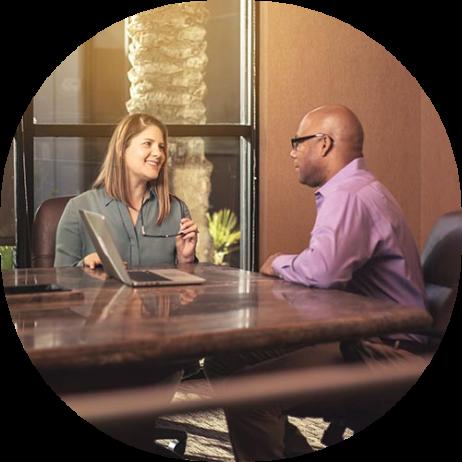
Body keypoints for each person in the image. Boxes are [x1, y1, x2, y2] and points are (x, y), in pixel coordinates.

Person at [204, 104, 429, 461]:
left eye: (298, 141)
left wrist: (279, 262)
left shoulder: (350, 196)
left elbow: (324, 272)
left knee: (247, 395)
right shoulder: (355, 190)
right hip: (360, 341)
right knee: (221, 361)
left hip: (381, 354)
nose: (292, 152)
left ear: (324, 143)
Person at [54, 112, 198, 268]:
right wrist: (85, 265)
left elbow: (188, 289)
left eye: (161, 147)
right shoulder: (78, 208)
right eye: (147, 144)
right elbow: (59, 280)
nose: (158, 154)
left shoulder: (178, 210)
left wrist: (186, 259)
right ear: (122, 149)